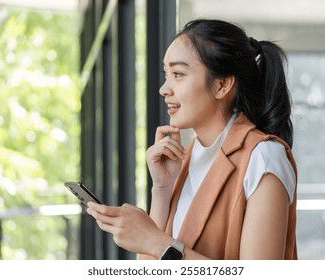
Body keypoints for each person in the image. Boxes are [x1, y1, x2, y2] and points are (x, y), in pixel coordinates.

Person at [87, 18, 297, 260]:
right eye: (166, 74)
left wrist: (157, 242)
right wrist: (162, 190)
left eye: (178, 74)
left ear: (222, 85)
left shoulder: (264, 157)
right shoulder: (186, 159)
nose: (164, 89)